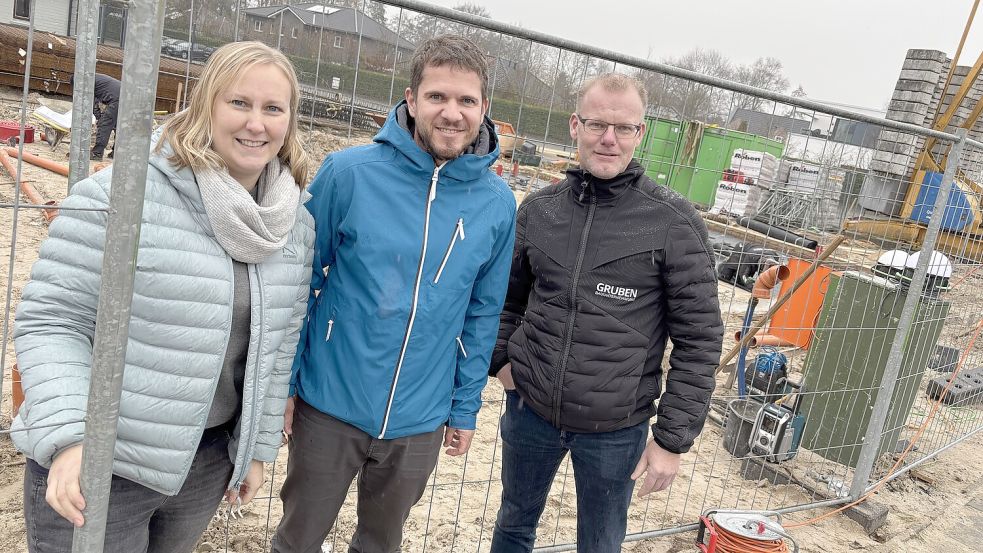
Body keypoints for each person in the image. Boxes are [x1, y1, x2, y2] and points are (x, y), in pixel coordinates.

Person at [12, 41, 314, 553]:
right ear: (206, 105)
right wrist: (70, 439)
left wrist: (256, 451)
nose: (256, 123)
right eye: (238, 102)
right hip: (101, 463)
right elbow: (52, 320)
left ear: (290, 120)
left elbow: (278, 349)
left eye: (273, 108)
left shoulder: (294, 226)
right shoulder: (123, 193)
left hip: (203, 467)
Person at [271, 35, 516, 553]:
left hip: (420, 417)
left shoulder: (497, 203)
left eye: (466, 100)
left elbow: (483, 313)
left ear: (484, 109)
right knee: (298, 537)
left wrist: (465, 407)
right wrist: (286, 384)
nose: (452, 113)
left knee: (381, 542)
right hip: (329, 402)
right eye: (437, 97)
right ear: (410, 99)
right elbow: (298, 281)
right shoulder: (349, 173)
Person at [488, 73, 725, 553]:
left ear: (641, 134)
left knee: (599, 543)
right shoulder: (539, 211)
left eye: (623, 128)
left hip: (616, 429)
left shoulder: (673, 224)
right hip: (530, 411)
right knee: (513, 525)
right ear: (575, 125)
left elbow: (699, 342)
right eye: (597, 124)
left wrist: (672, 440)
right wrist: (504, 365)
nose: (608, 139)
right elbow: (505, 301)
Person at [90, 73, 120, 160]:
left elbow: (91, 102)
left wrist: (98, 117)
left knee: (104, 124)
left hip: (116, 99)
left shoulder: (84, 81)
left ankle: (97, 153)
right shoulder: (94, 77)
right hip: (126, 96)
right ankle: (116, 154)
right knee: (119, 127)